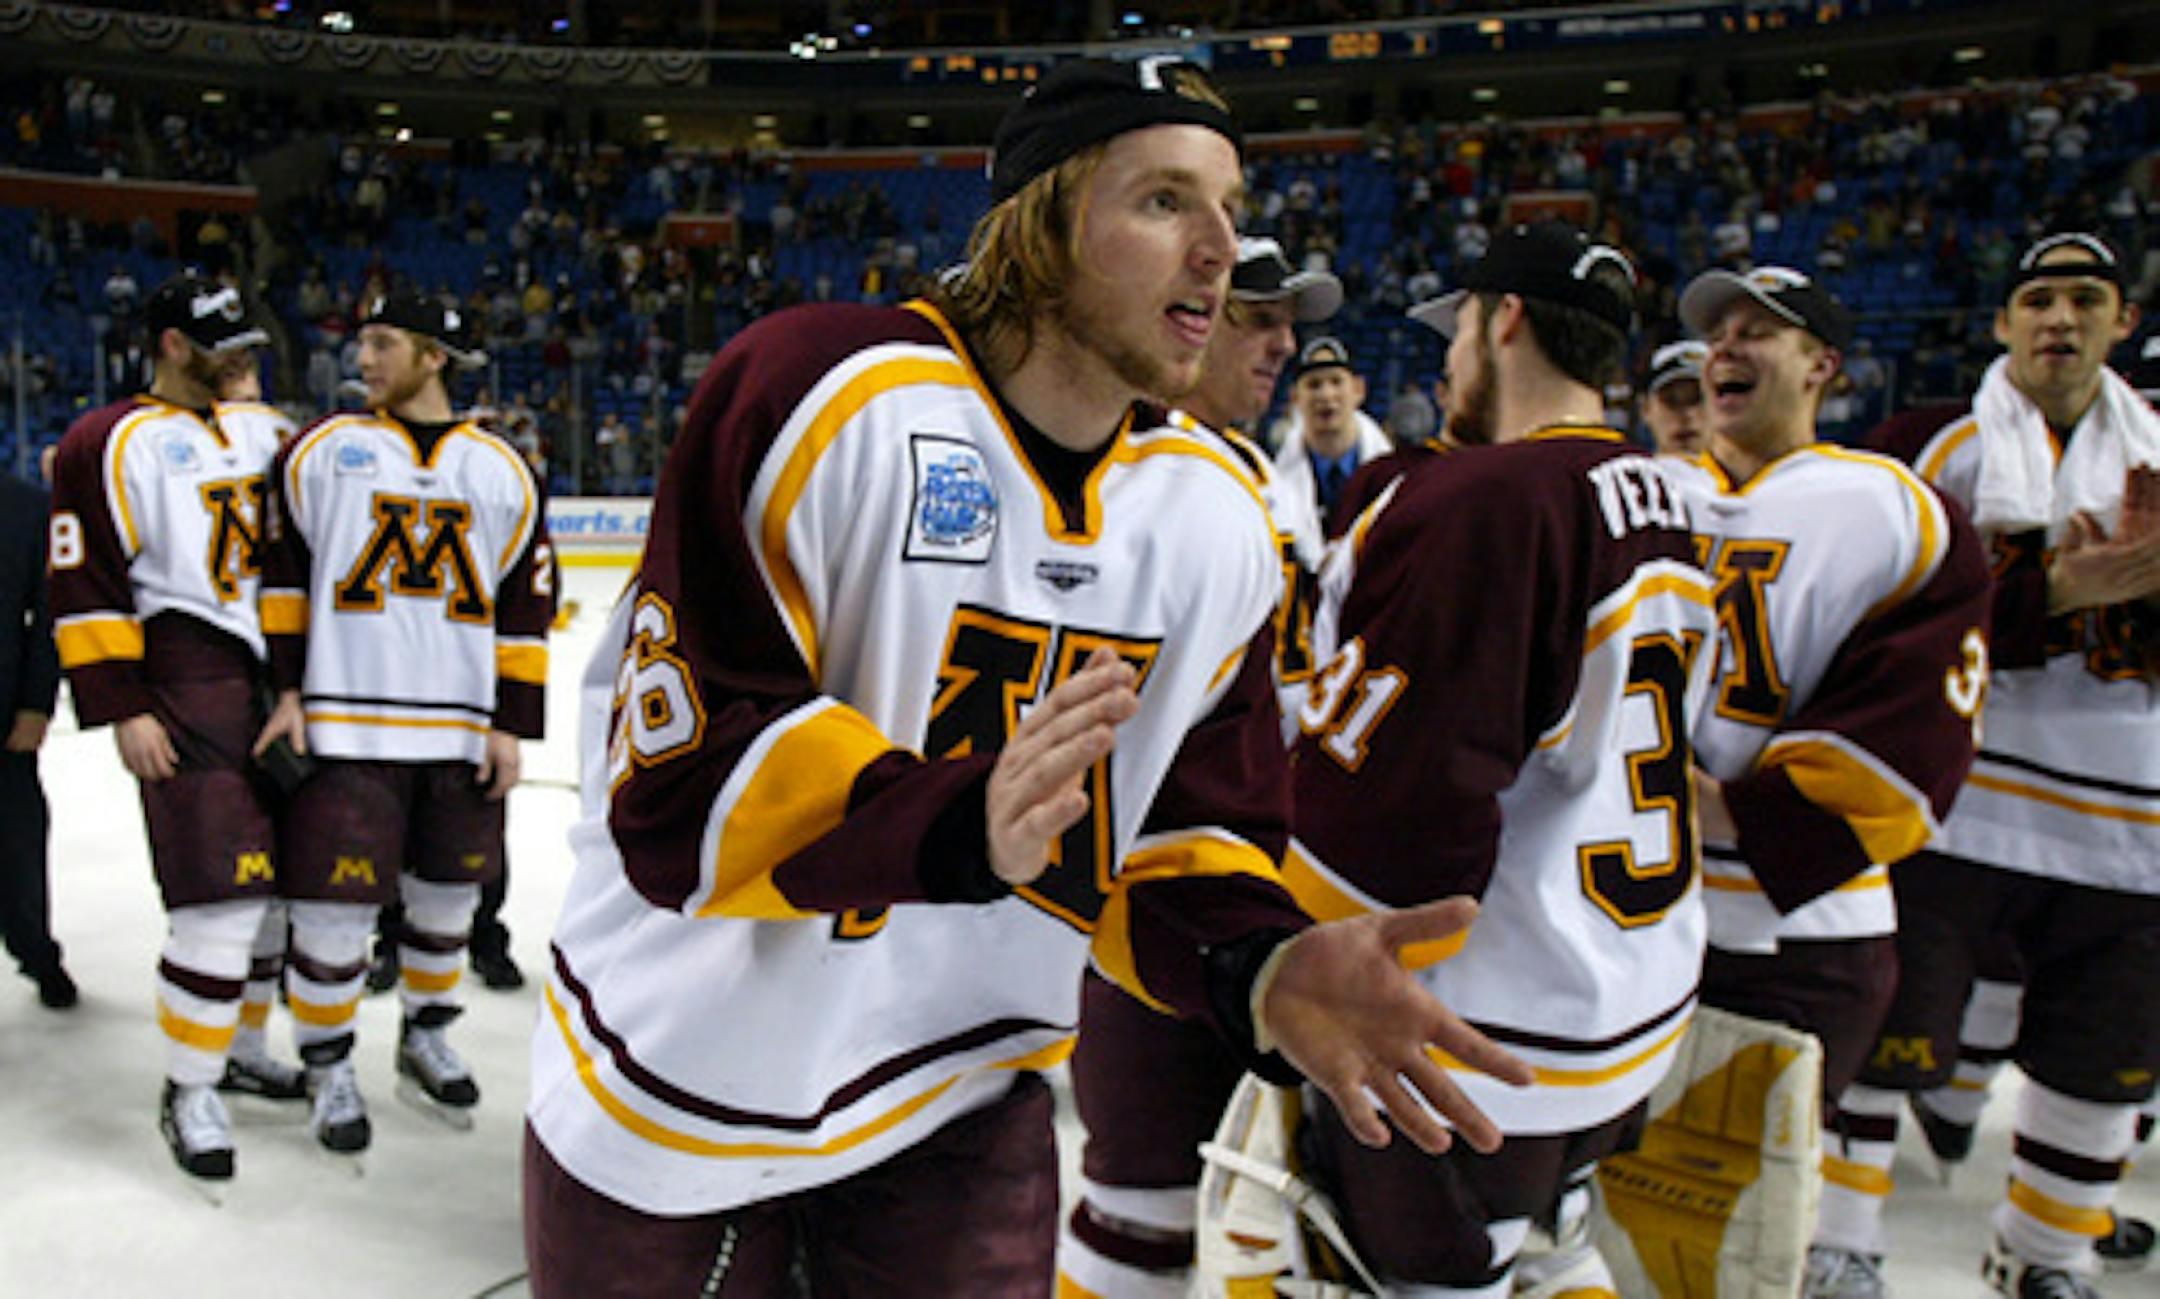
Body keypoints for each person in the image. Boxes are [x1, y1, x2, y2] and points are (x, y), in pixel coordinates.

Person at [524, 59, 1529, 1299]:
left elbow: (1185, 830)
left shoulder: (1215, 509)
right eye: (1166, 201)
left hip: (967, 1080)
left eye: (1229, 204)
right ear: (1040, 225)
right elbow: (680, 775)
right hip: (690, 1076)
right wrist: (957, 819)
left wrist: (1257, 961)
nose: (1222, 247)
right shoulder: (823, 392)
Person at [1275, 220, 1719, 1295]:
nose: (1447, 359)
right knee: (1554, 1253)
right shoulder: (1689, 494)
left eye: (1460, 330)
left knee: (1393, 1273)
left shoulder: (1488, 497)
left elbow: (1396, 810)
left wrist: (1281, 953)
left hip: (1483, 1033)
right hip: (1633, 998)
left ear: (1506, 317)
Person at [1597, 266, 1992, 1299]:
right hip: (1623, 915)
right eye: (1715, 332)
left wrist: (1706, 803)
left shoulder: (1896, 508)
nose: (1726, 349)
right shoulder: (1646, 495)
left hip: (1797, 937)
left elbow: (1918, 729)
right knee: (1599, 1214)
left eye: (1758, 332)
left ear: (1824, 364)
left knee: (1727, 1233)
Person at [1844, 231, 2160, 1299]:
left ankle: (2047, 1261)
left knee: (2098, 1067)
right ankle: (1842, 1246)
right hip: (1952, 808)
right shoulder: (1929, 445)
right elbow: (1876, 616)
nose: (2058, 320)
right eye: (2037, 299)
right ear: (2001, 323)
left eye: (2084, 299)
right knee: (1882, 1041)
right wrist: (2056, 595)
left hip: (2133, 834)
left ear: (2124, 320)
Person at [1055, 232, 1342, 1297]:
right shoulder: (1130, 473)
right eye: (1255, 317)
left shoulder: (1254, 471)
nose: (1280, 344)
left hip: (1260, 895)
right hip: (1161, 900)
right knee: (1139, 1211)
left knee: (1255, 1209)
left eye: (1286, 323)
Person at [254, 288, 553, 1154]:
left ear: (435, 356)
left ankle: (425, 1029)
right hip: (348, 728)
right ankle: (327, 1060)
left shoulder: (503, 470)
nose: (365, 358)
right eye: (364, 341)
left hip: (460, 731)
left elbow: (526, 610)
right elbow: (281, 581)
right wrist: (286, 690)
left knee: (448, 903)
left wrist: (510, 726)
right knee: (333, 913)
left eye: (385, 342)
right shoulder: (319, 451)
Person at [46, 273, 283, 1181]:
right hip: (185, 680)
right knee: (214, 900)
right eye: (222, 342)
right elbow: (83, 579)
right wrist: (123, 703)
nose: (243, 357)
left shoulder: (261, 429)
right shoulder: (105, 440)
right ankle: (191, 1084)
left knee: (272, 900)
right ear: (173, 345)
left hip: (277, 682)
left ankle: (245, 1048)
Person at [206, 352, 311, 1105]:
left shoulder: (171, 439)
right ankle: (228, 1050)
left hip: (213, 679)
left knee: (238, 890)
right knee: (260, 890)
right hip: (282, 677)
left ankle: (228, 1047)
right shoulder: (288, 441)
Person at [0, 466, 71, 1010]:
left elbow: (49, 616)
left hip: (4, 718)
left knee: (18, 847)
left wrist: (35, 703)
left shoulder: (29, 507)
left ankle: (35, 949)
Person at [1272, 335, 1391, 567]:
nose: (1326, 396)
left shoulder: (1393, 477)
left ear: (1359, 390)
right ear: (1295, 397)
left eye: (1336, 382)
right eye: (1314, 385)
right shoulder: (1274, 485)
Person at [1640, 338, 1710, 457]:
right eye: (1671, 401)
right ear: (1646, 409)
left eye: (1698, 399)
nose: (1686, 414)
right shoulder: (1625, 474)